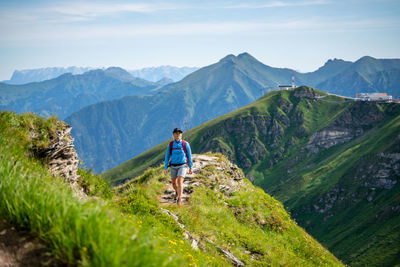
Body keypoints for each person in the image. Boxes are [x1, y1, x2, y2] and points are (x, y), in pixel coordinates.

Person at [164, 128, 193, 205]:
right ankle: (177, 191)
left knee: (180, 181)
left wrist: (190, 167)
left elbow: (189, 156)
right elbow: (167, 156)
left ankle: (179, 198)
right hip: (173, 166)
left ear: (181, 135)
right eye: (176, 133)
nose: (178, 135)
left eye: (179, 133)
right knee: (174, 183)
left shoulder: (185, 144)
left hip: (182, 165)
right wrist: (165, 168)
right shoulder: (170, 144)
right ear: (173, 135)